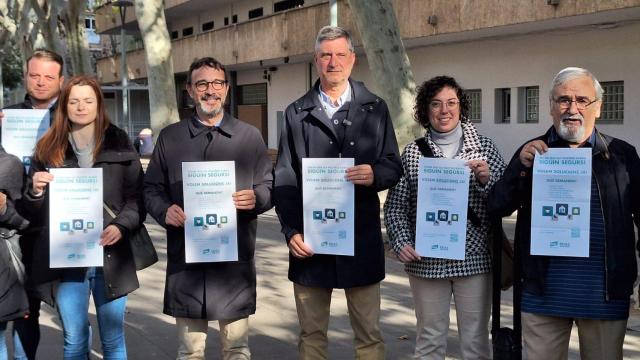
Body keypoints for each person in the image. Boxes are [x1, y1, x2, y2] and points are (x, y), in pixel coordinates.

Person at [489, 67, 640, 360]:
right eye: (563, 100)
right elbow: (496, 205)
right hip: (542, 294)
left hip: (604, 297)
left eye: (582, 100)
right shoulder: (532, 153)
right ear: (551, 107)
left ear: (598, 106)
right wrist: (520, 168)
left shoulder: (623, 156)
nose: (572, 109)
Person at [274, 25, 402, 359]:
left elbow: (393, 164)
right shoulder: (295, 113)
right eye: (326, 55)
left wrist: (375, 174)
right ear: (316, 61)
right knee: (312, 335)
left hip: (360, 239)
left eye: (340, 54)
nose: (334, 62)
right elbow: (284, 178)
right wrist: (291, 231)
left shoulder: (376, 107)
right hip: (311, 243)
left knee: (370, 336)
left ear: (353, 59)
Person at [144, 57, 273, 360]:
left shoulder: (249, 136)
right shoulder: (170, 137)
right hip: (187, 261)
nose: (210, 90)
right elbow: (151, 188)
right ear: (190, 90)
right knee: (189, 353)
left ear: (227, 89)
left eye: (217, 83)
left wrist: (257, 198)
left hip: (234, 262)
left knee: (237, 350)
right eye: (202, 83)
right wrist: (164, 211)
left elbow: (269, 185)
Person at [383, 76, 506, 359]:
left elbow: (506, 201)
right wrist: (401, 242)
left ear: (461, 107)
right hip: (426, 261)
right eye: (435, 104)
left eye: (451, 103)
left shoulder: (485, 148)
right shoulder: (413, 152)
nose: (444, 110)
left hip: (474, 261)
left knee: (475, 342)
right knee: (429, 340)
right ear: (425, 111)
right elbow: (395, 207)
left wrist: (488, 180)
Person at [23, 75, 144, 359]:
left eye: (88, 100)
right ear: (64, 106)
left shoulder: (120, 142)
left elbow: (137, 197)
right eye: (74, 101)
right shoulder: (46, 147)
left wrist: (121, 226)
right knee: (74, 339)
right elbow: (32, 211)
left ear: (98, 104)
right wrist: (36, 191)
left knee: (113, 338)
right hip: (68, 261)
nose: (81, 107)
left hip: (111, 255)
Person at [0, 48, 65, 360]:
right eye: (34, 75)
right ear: (25, 77)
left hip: (56, 230)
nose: (40, 82)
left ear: (61, 81)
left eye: (48, 77)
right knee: (10, 313)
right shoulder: (6, 116)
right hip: (10, 231)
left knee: (55, 317)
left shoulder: (73, 118)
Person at [0, 148, 31, 360]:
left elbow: (25, 220)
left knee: (19, 323)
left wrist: (3, 209)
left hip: (8, 259)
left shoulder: (9, 164)